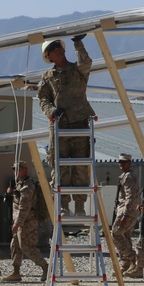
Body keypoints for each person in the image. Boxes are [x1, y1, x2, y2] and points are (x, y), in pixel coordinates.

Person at [38, 36, 95, 215]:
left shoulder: (77, 70)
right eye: (54, 48)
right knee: (60, 167)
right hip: (59, 126)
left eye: (59, 46)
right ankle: (63, 206)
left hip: (79, 123)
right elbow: (43, 99)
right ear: (49, 56)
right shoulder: (47, 77)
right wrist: (51, 111)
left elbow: (86, 62)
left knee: (80, 168)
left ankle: (79, 207)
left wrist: (78, 43)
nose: (58, 49)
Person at [3, 160, 49, 283]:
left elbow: (24, 208)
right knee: (15, 246)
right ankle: (16, 272)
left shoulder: (27, 186)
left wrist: (18, 223)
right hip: (20, 220)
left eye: (18, 169)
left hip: (27, 221)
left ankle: (46, 267)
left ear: (25, 170)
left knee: (27, 246)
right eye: (14, 169)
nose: (16, 172)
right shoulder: (19, 184)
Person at [112, 153, 141, 276]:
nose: (121, 164)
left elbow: (131, 197)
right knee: (125, 236)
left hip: (126, 211)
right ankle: (126, 264)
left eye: (124, 162)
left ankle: (131, 257)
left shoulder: (129, 176)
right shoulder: (125, 175)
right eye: (120, 162)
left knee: (115, 234)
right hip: (125, 210)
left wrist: (126, 214)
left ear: (129, 163)